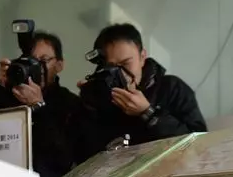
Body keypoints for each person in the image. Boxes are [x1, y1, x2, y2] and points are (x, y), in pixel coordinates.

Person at [78, 23, 207, 158]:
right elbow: (86, 155)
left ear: (142, 56)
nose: (120, 74)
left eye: (126, 63)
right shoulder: (99, 98)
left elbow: (199, 143)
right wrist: (89, 104)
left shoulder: (172, 88)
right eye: (111, 67)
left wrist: (148, 113)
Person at [0, 31, 83, 177]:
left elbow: (65, 158)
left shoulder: (69, 102)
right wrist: (1, 88)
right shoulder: (6, 95)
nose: (37, 67)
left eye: (43, 60)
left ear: (59, 65)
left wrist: (38, 106)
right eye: (31, 61)